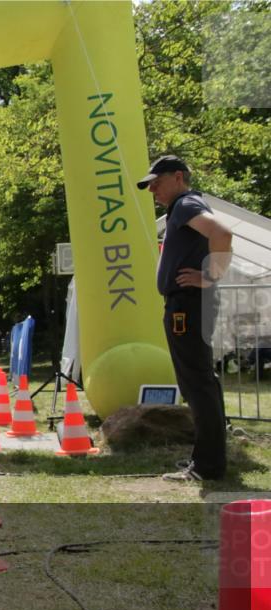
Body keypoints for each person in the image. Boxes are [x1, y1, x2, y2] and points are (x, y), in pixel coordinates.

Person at [137, 155, 233, 482]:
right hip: (189, 304)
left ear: (178, 177)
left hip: (187, 305)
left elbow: (222, 233)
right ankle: (209, 461)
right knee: (201, 382)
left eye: (157, 182)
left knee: (197, 383)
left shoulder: (185, 204)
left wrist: (210, 276)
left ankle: (207, 467)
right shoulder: (185, 206)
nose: (152, 190)